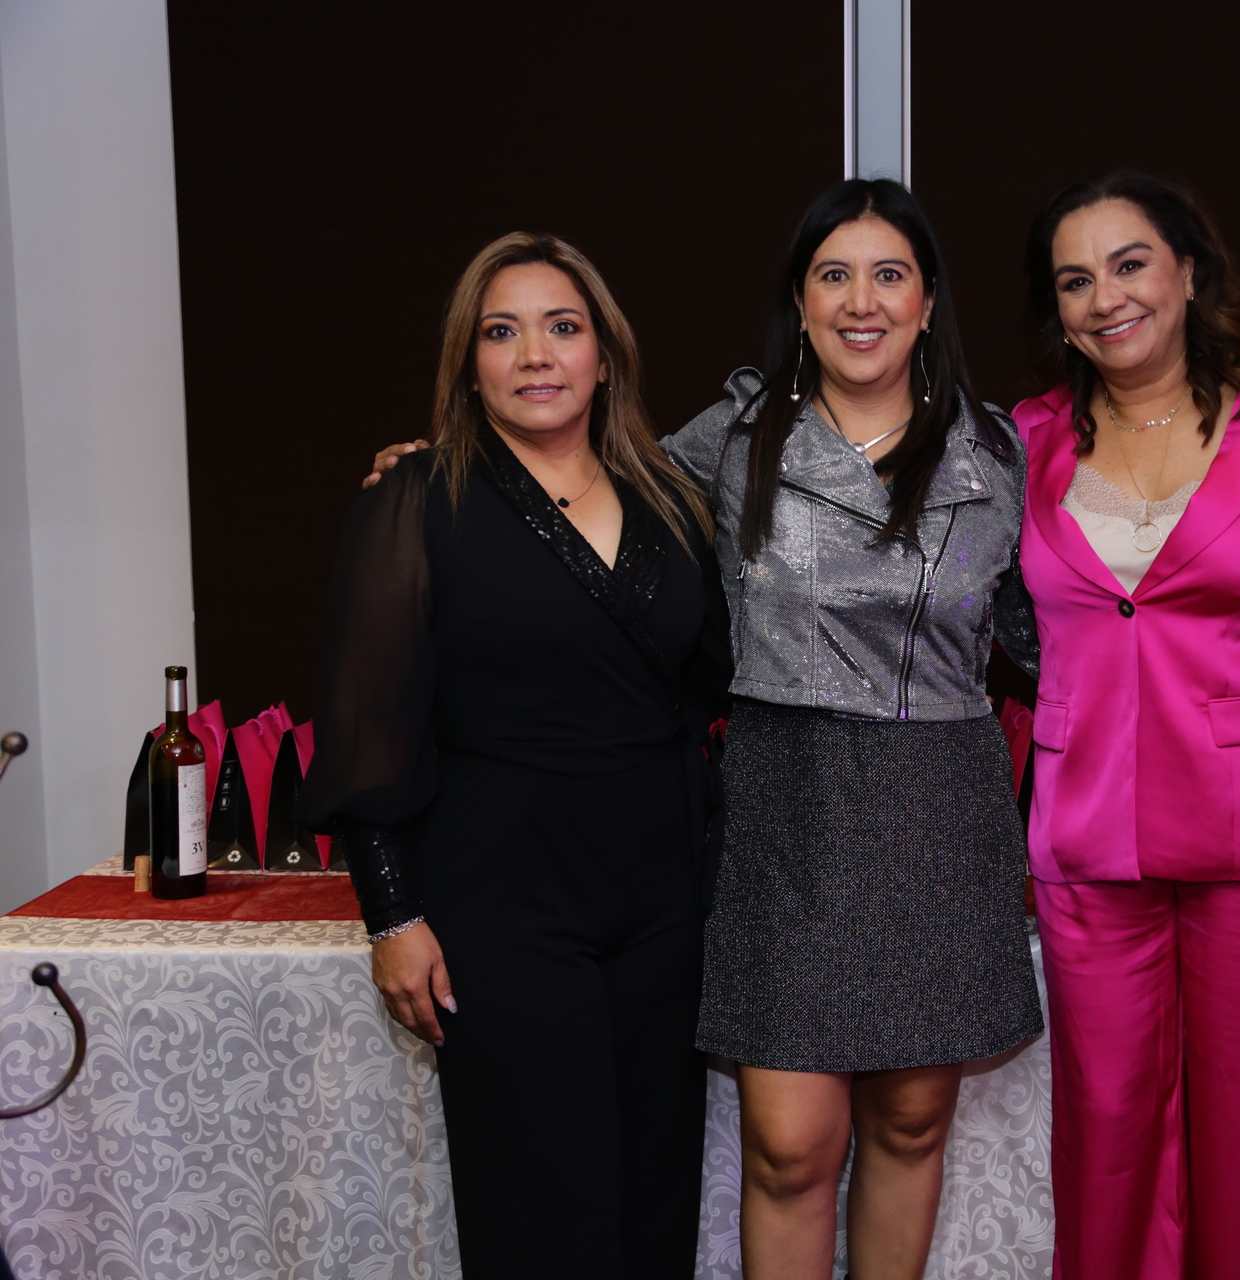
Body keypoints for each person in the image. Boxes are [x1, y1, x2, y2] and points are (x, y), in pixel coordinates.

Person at [304, 232, 730, 1279]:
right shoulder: (412, 500)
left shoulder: (675, 500)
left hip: (665, 901)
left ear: (603, 354)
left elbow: (713, 680)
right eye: (503, 331)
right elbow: (368, 724)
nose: (535, 353)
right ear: (470, 360)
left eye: (562, 326)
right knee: (546, 1205)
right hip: (505, 902)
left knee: (655, 1194)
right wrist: (393, 914)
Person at [664, 178, 1043, 1280]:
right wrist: (454, 474)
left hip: (939, 801)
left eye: (890, 274)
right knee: (788, 1143)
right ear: (800, 298)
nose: (861, 299)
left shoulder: (1001, 454)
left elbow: (1073, 618)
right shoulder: (733, 436)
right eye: (835, 273)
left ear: (929, 303)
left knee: (913, 1121)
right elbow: (595, 497)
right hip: (789, 805)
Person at [1011, 171, 1240, 1280]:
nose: (1105, 295)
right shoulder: (1027, 438)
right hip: (1089, 838)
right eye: (1074, 278)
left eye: (1130, 261)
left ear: (1190, 271)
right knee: (1103, 1145)